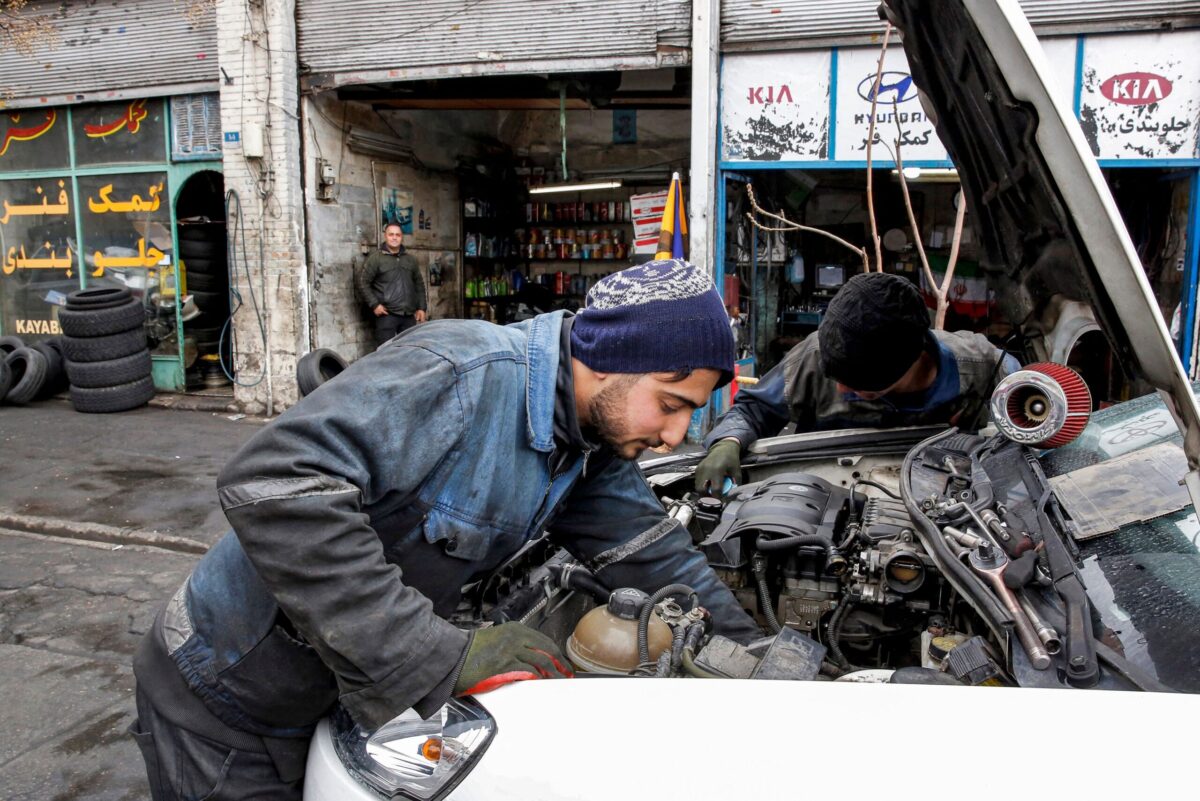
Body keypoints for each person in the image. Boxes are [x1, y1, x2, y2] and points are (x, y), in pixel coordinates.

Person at [131, 259, 760, 800]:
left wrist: (756, 661)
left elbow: (655, 557)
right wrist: (432, 653)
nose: (677, 437)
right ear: (609, 361)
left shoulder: (589, 441)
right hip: (227, 692)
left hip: (336, 691)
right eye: (671, 404)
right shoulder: (462, 374)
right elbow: (275, 481)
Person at [696, 271, 1019, 494]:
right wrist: (728, 442)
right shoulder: (815, 355)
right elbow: (754, 410)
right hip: (819, 498)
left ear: (911, 362)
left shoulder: (988, 372)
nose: (839, 390)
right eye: (836, 378)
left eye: (857, 387)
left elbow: (1029, 446)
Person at [356, 222, 427, 346]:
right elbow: (363, 282)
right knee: (386, 352)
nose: (394, 237)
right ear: (385, 236)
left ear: (402, 237)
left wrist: (421, 307)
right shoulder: (376, 259)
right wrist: (374, 304)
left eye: (398, 235)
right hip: (387, 315)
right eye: (391, 234)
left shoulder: (410, 259)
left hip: (408, 315)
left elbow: (419, 284)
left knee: (409, 350)